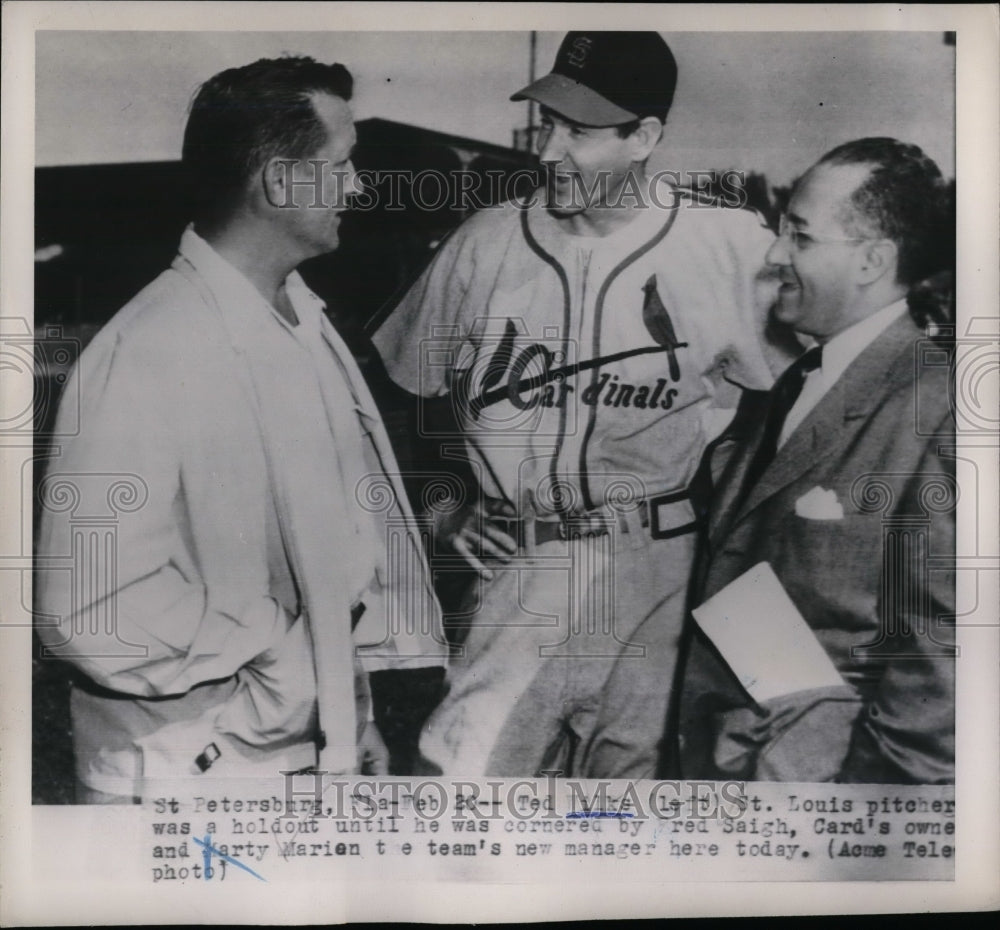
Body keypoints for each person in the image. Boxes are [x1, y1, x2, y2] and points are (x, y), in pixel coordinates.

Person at [371, 31, 794, 777]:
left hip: (660, 565)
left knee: (632, 809)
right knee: (463, 794)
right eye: (549, 124)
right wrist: (440, 503)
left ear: (645, 137)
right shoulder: (485, 245)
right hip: (522, 566)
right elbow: (394, 390)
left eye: (580, 132)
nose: (549, 152)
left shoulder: (728, 248)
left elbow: (797, 407)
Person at [35, 57, 445, 803]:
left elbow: (330, 555)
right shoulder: (148, 349)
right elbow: (92, 606)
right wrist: (277, 650)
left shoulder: (301, 324)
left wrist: (346, 717)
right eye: (342, 164)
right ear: (279, 181)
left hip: (297, 753)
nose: (356, 187)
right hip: (185, 780)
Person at [674, 138, 956, 784]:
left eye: (799, 237)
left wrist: (864, 825)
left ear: (872, 261)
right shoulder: (800, 379)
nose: (774, 255)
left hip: (816, 807)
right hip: (736, 767)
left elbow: (942, 663)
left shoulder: (938, 407)